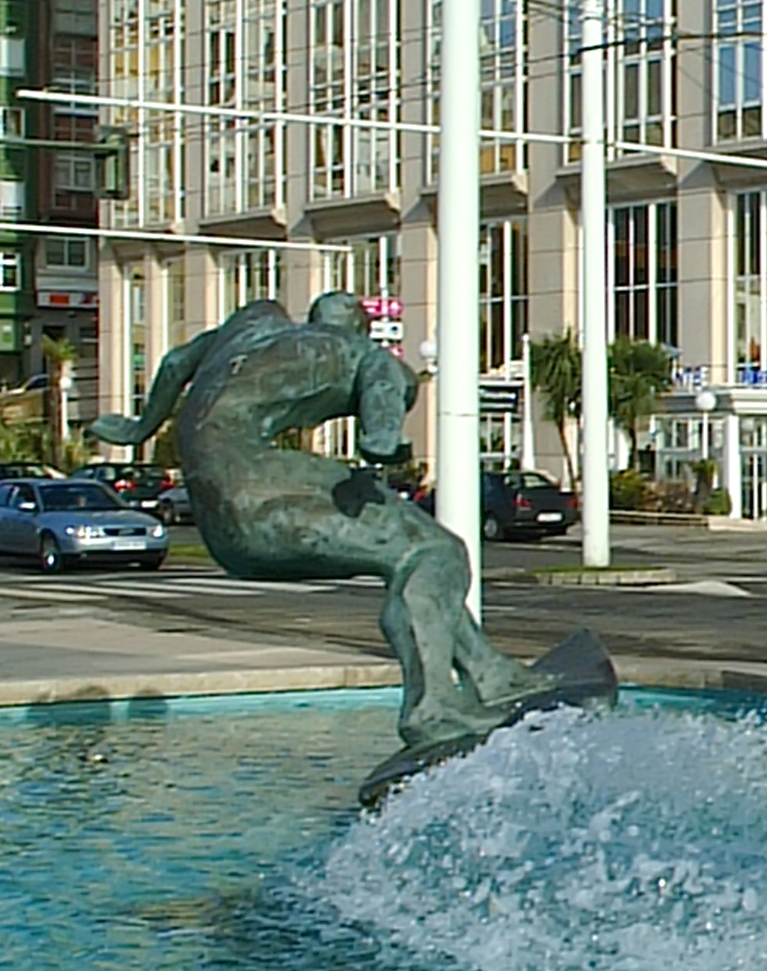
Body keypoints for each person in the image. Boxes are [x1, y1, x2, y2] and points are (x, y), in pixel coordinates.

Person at [94, 293, 601, 769]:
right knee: (434, 554)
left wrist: (138, 430)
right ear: (360, 325)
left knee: (418, 550)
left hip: (215, 502)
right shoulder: (365, 354)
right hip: (259, 488)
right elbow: (382, 415)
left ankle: (490, 672)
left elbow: (174, 362)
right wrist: (383, 444)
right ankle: (433, 707)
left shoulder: (252, 323)